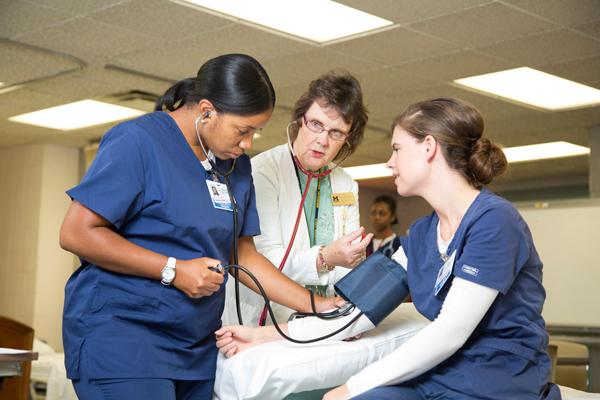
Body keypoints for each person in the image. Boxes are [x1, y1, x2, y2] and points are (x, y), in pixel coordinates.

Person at [216, 97, 560, 400]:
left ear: (428, 148)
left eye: (396, 149)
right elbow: (355, 312)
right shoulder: (422, 235)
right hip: (440, 376)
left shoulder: (495, 222)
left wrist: (350, 388)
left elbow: (449, 332)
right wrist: (265, 336)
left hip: (497, 379)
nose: (389, 163)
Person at [59, 54, 342, 400]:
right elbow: (77, 232)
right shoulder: (137, 142)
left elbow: (244, 257)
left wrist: (315, 305)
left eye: (255, 131)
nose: (248, 143)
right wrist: (172, 269)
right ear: (207, 111)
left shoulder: (235, 167)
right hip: (124, 338)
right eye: (243, 130)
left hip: (196, 346)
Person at [223, 71, 372, 327]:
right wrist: (325, 258)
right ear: (300, 120)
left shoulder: (346, 183)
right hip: (269, 315)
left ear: (347, 139)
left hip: (326, 316)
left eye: (336, 132)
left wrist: (350, 313)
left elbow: (351, 262)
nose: (322, 140)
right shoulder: (262, 172)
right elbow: (264, 259)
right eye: (316, 124)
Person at [365, 195, 401, 259]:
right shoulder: (366, 244)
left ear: (392, 217)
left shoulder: (398, 245)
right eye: (374, 213)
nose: (376, 217)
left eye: (382, 213)